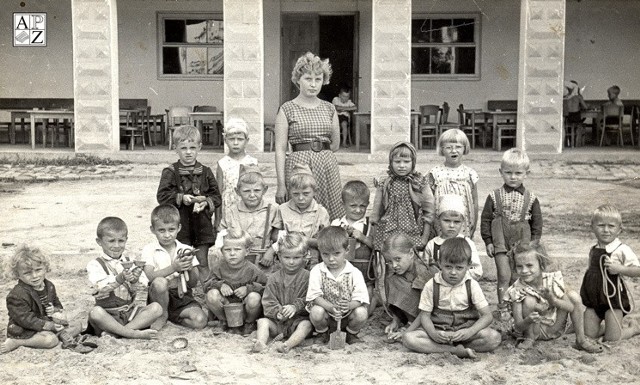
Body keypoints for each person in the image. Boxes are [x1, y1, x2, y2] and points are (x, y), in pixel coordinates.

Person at [402, 238, 501, 359]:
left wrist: (469, 332)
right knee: (409, 339)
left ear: (468, 265)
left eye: (459, 268)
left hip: (465, 331)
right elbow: (425, 315)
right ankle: (453, 350)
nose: (453, 272)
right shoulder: (431, 285)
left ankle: (453, 347)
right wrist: (433, 333)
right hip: (439, 331)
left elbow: (487, 316)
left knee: (493, 338)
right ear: (439, 264)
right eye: (448, 267)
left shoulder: (472, 285)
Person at [274, 51, 344, 221]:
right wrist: (281, 184)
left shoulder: (329, 108)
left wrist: (321, 156)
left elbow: (335, 144)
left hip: (327, 166)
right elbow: (280, 149)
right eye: (308, 79)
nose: (313, 84)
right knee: (300, 214)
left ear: (324, 81)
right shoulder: (287, 109)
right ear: (298, 79)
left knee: (330, 215)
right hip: (298, 167)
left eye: (318, 79)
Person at [504, 242, 603, 353]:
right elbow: (518, 326)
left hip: (554, 328)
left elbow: (571, 307)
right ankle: (529, 338)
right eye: (519, 266)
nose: (524, 271)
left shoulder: (552, 280)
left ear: (541, 264)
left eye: (529, 265)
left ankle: (581, 340)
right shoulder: (517, 290)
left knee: (573, 296)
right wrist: (528, 320)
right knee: (529, 300)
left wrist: (552, 299)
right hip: (532, 330)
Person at [480, 148, 542, 315]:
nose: (513, 177)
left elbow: (537, 223)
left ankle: (519, 306)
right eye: (508, 173)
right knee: (503, 275)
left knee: (519, 274)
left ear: (526, 173)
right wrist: (488, 241)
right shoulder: (494, 196)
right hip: (500, 242)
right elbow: (485, 220)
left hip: (522, 243)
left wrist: (533, 244)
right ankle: (502, 307)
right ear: (501, 172)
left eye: (518, 173)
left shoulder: (532, 198)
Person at [157, 125, 222, 280]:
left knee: (202, 261)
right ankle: (185, 292)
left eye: (192, 147)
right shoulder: (170, 172)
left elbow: (217, 197)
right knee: (183, 260)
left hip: (202, 223)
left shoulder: (205, 171)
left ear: (199, 147)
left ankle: (207, 289)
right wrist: (181, 198)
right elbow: (162, 196)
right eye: (183, 148)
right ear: (175, 148)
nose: (188, 152)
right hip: (181, 224)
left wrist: (206, 202)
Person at [2, 245, 88, 354]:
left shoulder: (49, 286)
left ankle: (60, 336)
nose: (34, 276)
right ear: (17, 275)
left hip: (48, 323)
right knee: (50, 340)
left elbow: (58, 305)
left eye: (38, 270)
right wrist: (50, 326)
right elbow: (25, 319)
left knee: (78, 325)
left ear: (45, 268)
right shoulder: (16, 295)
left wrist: (55, 310)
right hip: (28, 329)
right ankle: (17, 342)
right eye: (27, 273)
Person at [86, 217, 162, 339]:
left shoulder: (130, 260)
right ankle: (132, 333)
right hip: (108, 316)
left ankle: (119, 333)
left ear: (126, 240)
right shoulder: (95, 264)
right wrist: (119, 279)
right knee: (95, 313)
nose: (117, 245)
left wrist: (135, 280)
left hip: (129, 313)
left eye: (121, 241)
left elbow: (143, 284)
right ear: (99, 241)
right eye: (111, 241)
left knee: (156, 308)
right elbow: (100, 287)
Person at [142, 205, 208, 331]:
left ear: (179, 228)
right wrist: (174, 267)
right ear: (152, 229)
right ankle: (161, 314)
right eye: (161, 230)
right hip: (158, 297)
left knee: (200, 321)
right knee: (159, 282)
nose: (167, 235)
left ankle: (172, 317)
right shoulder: (149, 249)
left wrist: (189, 268)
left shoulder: (187, 249)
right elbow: (150, 276)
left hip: (181, 296)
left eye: (171, 229)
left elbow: (193, 283)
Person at [580, 204, 640, 342]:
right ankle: (606, 328)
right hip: (593, 299)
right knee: (589, 335)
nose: (606, 230)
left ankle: (633, 329)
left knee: (612, 339)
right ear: (592, 227)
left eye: (611, 226)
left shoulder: (621, 249)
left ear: (619, 230)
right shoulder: (593, 249)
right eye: (601, 225)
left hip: (613, 300)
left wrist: (620, 269)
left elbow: (638, 270)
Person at [306, 226, 369, 344]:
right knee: (316, 311)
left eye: (336, 254)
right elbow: (315, 296)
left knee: (361, 313)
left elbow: (361, 298)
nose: (331, 259)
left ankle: (351, 333)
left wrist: (350, 305)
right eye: (325, 254)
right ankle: (322, 333)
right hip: (326, 314)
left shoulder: (354, 272)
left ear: (347, 250)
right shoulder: (317, 270)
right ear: (320, 251)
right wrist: (330, 307)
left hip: (347, 316)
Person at [252, 232, 313, 353]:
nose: (291, 262)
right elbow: (268, 301)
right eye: (287, 257)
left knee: (307, 325)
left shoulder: (308, 277)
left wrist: (295, 307)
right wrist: (277, 312)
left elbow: (311, 299)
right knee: (263, 322)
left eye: (296, 258)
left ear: (304, 256)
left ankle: (288, 345)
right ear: (279, 256)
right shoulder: (273, 278)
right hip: (277, 323)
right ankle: (261, 343)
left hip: (297, 322)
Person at [371, 141, 435, 251]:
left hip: (413, 230)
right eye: (397, 161)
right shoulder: (385, 182)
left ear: (413, 162)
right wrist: (374, 235)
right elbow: (377, 210)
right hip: (388, 229)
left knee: (410, 257)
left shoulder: (420, 182)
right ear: (391, 162)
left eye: (406, 162)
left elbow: (429, 210)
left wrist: (424, 238)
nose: (401, 166)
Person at [212, 164, 278, 269]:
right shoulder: (231, 212)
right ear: (237, 192)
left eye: (257, 190)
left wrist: (271, 251)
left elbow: (278, 238)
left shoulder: (272, 211)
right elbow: (222, 237)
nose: (252, 195)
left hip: (263, 261)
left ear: (264, 190)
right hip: (237, 263)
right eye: (246, 191)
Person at [204, 228, 268, 335]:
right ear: (221, 251)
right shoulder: (218, 267)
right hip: (225, 306)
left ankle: (249, 323)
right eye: (227, 250)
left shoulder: (252, 270)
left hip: (245, 309)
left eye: (237, 249)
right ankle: (224, 321)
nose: (232, 253)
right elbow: (206, 285)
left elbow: (265, 287)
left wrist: (248, 289)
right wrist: (220, 285)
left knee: (254, 297)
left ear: (247, 251)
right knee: (211, 295)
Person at [266, 163, 330, 268]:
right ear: (289, 191)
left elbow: (326, 242)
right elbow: (274, 235)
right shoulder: (282, 209)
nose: (300, 198)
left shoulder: (321, 212)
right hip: (286, 259)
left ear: (315, 192)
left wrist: (307, 241)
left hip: (311, 260)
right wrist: (293, 239)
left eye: (306, 194)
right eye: (295, 194)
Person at [330, 180, 376, 312]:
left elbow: (377, 247)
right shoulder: (336, 223)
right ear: (343, 204)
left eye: (362, 206)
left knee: (365, 312)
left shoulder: (370, 224)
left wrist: (362, 238)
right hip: (341, 275)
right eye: (353, 205)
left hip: (365, 276)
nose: (358, 210)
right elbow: (328, 246)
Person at [427, 128, 479, 237]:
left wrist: (474, 221)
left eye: (458, 147)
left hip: (462, 221)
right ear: (442, 149)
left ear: (465, 149)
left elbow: (474, 200)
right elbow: (428, 200)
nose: (454, 151)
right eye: (449, 147)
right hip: (440, 221)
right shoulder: (434, 173)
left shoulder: (469, 174)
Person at [382, 233, 432, 343]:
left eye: (398, 259)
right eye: (390, 261)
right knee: (393, 280)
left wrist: (407, 331)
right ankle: (407, 322)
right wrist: (396, 321)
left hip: (430, 317)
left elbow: (426, 310)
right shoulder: (398, 273)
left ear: (410, 253)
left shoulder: (422, 272)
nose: (394, 265)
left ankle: (413, 326)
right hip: (417, 316)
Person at [424, 194, 483, 280]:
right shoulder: (432, 244)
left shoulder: (467, 243)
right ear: (438, 220)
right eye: (447, 221)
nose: (451, 225)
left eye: (456, 222)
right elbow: (424, 269)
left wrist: (457, 276)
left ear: (462, 221)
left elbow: (477, 271)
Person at [215, 118, 258, 230]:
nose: (235, 143)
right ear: (225, 140)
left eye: (240, 139)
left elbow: (257, 188)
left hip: (248, 207)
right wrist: (217, 219)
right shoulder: (222, 164)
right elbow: (218, 193)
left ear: (247, 140)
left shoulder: (252, 162)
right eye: (231, 139)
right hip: (228, 209)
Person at [562, 80, 588, 146]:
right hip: (576, 117)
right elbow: (585, 107)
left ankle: (570, 142)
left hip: (568, 118)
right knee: (582, 119)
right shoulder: (578, 97)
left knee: (569, 126)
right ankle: (577, 142)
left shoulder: (565, 97)